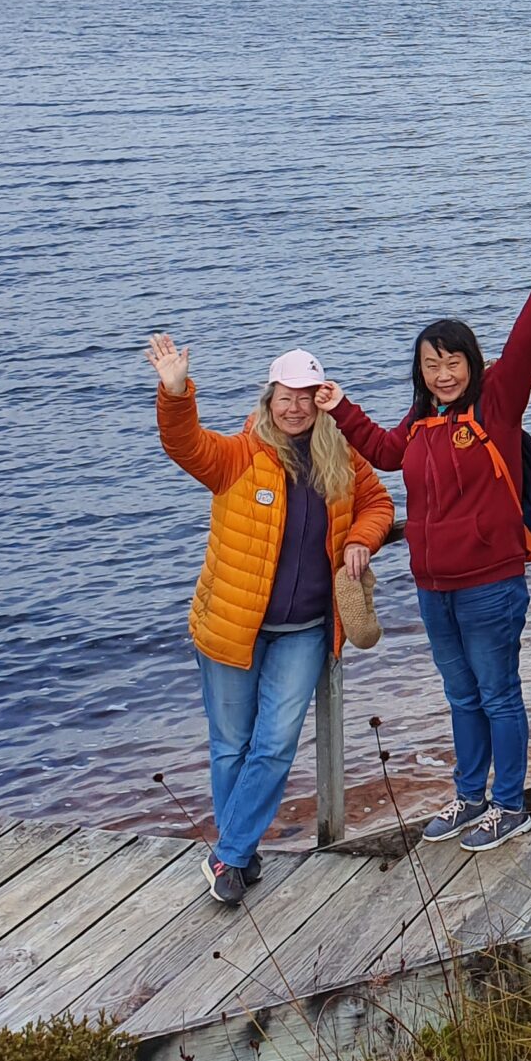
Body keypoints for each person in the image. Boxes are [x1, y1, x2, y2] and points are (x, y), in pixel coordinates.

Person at [317, 241, 531, 853]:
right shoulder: (421, 423)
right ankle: (470, 798)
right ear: (421, 372)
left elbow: (525, 346)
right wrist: (339, 406)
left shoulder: (498, 403)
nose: (445, 373)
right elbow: (382, 452)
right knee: (462, 697)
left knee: (498, 694)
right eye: (432, 364)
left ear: (472, 363)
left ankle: (510, 805)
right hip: (435, 589)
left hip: (491, 583)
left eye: (454, 361)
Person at [147, 334, 393, 905]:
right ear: (269, 398)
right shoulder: (238, 455)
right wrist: (176, 391)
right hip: (232, 627)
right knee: (231, 745)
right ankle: (240, 852)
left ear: (324, 400)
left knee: (275, 743)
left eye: (308, 396)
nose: (296, 407)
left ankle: (228, 855)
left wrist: (360, 539)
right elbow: (184, 444)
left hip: (305, 630)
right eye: (286, 395)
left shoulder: (343, 456)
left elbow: (380, 504)